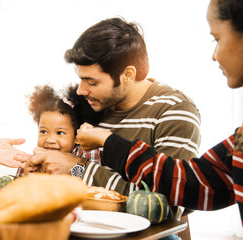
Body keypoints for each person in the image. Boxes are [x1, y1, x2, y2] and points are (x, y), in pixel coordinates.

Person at [24, 17, 201, 239]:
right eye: (80, 79)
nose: (80, 90)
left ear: (127, 75)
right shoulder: (91, 106)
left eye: (92, 82)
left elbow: (162, 205)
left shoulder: (174, 110)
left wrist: (78, 166)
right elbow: (76, 173)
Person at [76, 0, 243, 227]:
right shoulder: (238, 143)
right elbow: (189, 182)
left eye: (217, 39)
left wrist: (77, 166)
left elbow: (166, 203)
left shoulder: (174, 108)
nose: (214, 55)